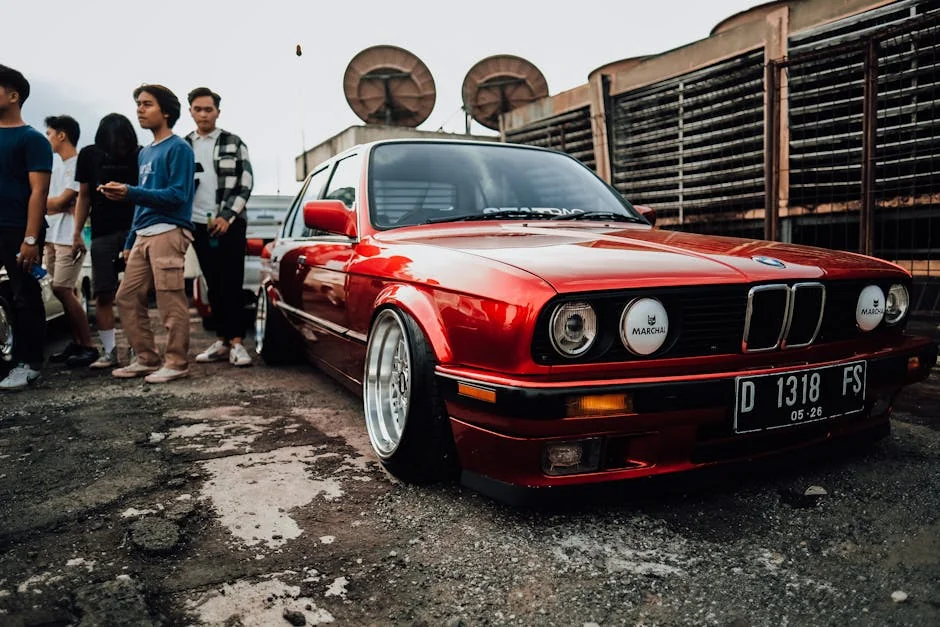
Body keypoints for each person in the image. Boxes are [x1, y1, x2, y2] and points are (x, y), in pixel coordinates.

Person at [100, 84, 195, 384]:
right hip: (143, 234)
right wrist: (130, 240)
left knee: (170, 301)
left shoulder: (179, 148)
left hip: (169, 231)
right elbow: (141, 202)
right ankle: (146, 358)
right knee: (126, 297)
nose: (140, 109)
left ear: (166, 112)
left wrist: (130, 192)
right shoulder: (144, 154)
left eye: (147, 104)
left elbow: (178, 195)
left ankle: (177, 362)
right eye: (138, 104)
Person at [185, 87, 254, 367]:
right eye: (198, 109)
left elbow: (246, 182)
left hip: (231, 223)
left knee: (232, 282)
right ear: (190, 111)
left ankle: (238, 343)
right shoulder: (183, 145)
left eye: (208, 109)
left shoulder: (233, 142)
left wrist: (227, 216)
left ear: (217, 112)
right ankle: (223, 341)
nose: (203, 114)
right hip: (198, 224)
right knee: (212, 284)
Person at [72, 114, 140, 368]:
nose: (117, 148)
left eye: (122, 143)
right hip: (101, 232)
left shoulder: (140, 154)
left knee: (135, 294)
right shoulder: (89, 155)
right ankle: (110, 351)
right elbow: (84, 197)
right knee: (103, 293)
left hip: (134, 232)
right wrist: (77, 232)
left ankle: (137, 349)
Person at [0, 65, 52, 391]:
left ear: (14, 95)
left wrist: (30, 238)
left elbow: (39, 192)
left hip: (18, 228)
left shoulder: (31, 139)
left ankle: (28, 363)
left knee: (24, 295)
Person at [43, 115, 99, 367]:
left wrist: (44, 205)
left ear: (62, 135)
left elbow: (63, 201)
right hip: (52, 236)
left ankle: (88, 345)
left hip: (69, 237)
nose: (48, 139)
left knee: (62, 289)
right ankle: (77, 342)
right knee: (64, 289)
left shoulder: (79, 164)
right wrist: (52, 206)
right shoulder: (56, 166)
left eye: (50, 134)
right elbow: (54, 203)